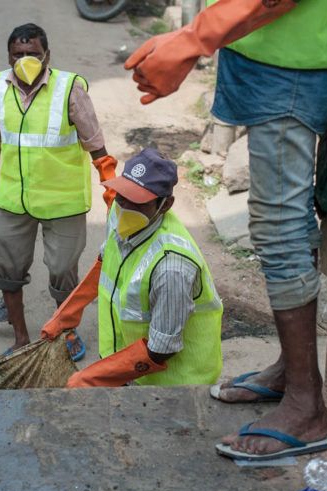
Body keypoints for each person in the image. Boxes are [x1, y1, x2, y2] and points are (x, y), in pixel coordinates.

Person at [123, 0, 327, 460]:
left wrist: (194, 38)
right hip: (268, 47)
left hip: (292, 61)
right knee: (278, 220)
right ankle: (292, 374)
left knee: (280, 226)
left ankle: (306, 405)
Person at [0, 23, 119, 360]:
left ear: (47, 55)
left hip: (62, 201)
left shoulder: (70, 89)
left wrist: (111, 186)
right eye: (18, 55)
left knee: (62, 272)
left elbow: (96, 145)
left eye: (33, 54)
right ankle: (22, 338)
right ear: (8, 56)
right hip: (13, 199)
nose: (25, 60)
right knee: (8, 270)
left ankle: (65, 332)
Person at [41, 148, 223, 387]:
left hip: (173, 387)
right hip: (126, 370)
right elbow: (105, 267)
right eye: (122, 194)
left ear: (165, 205)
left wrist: (94, 377)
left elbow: (161, 349)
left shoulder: (172, 267)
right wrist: (65, 315)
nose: (125, 206)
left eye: (137, 201)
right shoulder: (120, 218)